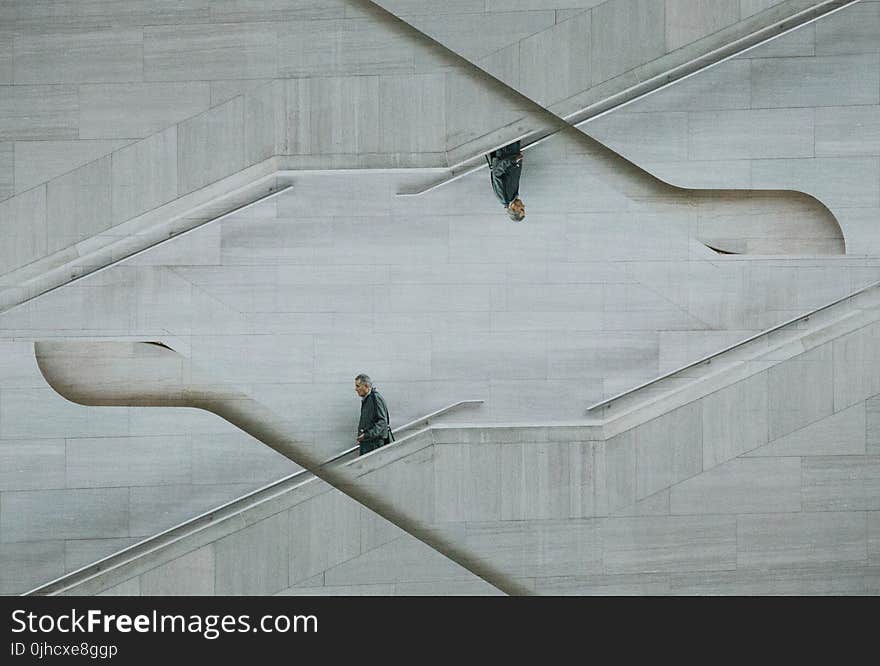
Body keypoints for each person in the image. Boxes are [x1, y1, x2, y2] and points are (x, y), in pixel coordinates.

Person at [487, 140, 526, 222]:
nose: (523, 206)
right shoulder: (512, 196)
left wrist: (514, 160)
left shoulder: (504, 197)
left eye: (521, 209)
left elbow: (496, 173)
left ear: (514, 209)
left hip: (506, 149)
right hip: (510, 150)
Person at [354, 373, 392, 456]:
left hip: (374, 445)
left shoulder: (375, 398)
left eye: (358, 386)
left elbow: (382, 422)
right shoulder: (368, 399)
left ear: (366, 386)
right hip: (368, 443)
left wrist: (367, 435)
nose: (355, 389)